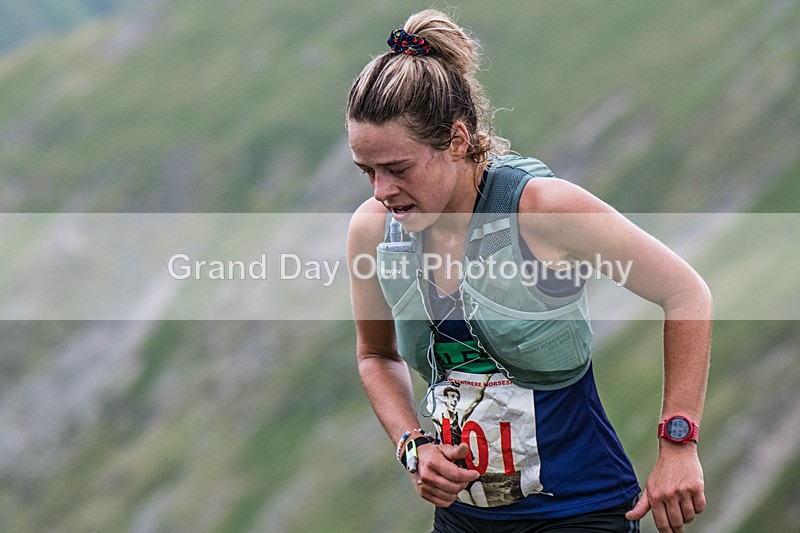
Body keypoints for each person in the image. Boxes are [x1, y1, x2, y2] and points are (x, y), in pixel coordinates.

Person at [345, 9, 712, 533]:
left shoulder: (543, 211)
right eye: (367, 172)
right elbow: (375, 355)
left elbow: (686, 292)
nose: (381, 191)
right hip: (462, 520)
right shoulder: (374, 230)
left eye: (398, 169)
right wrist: (413, 446)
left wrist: (679, 443)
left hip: (580, 511)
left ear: (456, 138)